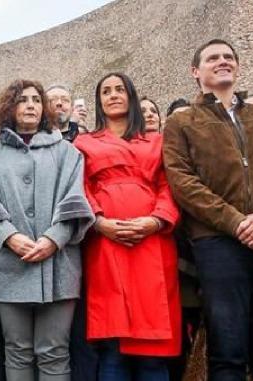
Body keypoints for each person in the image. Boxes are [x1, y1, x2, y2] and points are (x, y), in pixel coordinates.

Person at [163, 39, 253, 380]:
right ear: (195, 71)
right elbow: (183, 182)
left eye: (229, 57)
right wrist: (237, 222)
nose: (222, 61)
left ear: (238, 67)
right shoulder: (182, 123)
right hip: (217, 244)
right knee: (227, 352)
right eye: (213, 58)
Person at [0, 79, 95, 381]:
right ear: (9, 107)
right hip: (9, 263)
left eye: (36, 100)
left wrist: (54, 239)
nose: (30, 105)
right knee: (17, 349)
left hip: (59, 264)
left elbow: (75, 200)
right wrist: (9, 236)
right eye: (22, 99)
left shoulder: (67, 152)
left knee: (54, 350)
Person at [75, 73, 181, 380]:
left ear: (131, 95)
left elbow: (170, 185)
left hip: (152, 243)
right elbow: (79, 188)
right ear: (99, 101)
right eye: (105, 91)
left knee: (153, 349)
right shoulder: (84, 142)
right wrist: (99, 222)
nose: (113, 95)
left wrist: (156, 220)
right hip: (107, 245)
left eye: (119, 89)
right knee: (113, 348)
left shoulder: (158, 141)